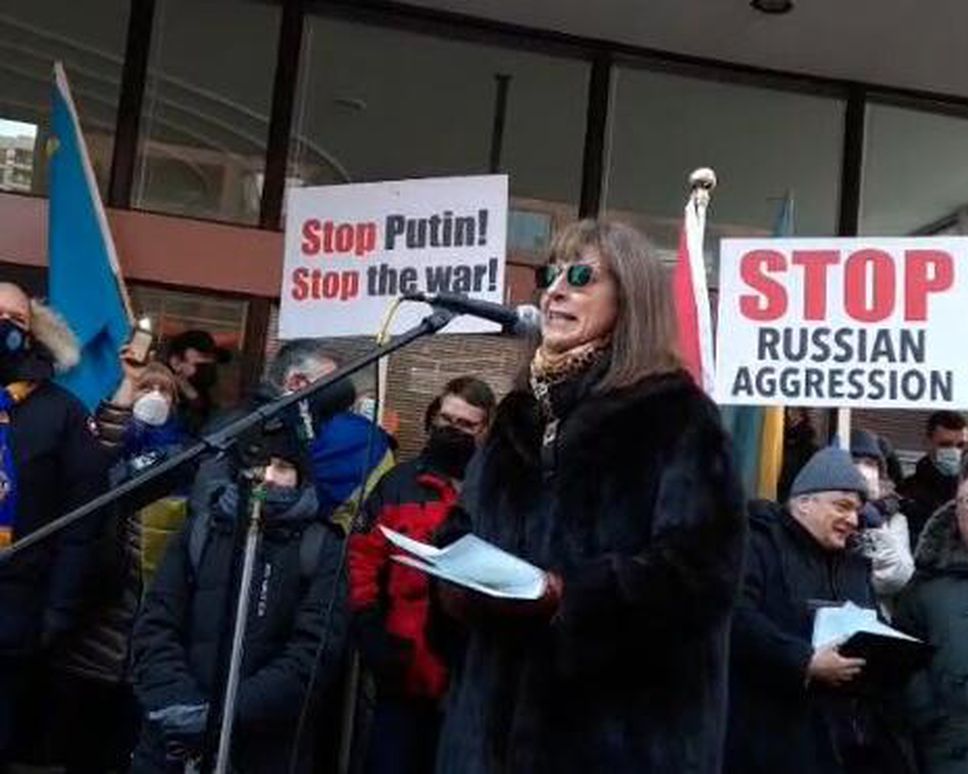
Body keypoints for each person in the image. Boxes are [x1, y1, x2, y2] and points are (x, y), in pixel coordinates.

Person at [430, 220, 746, 773]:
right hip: (491, 735)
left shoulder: (677, 415)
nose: (554, 291)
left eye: (579, 276)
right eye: (548, 275)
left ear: (631, 295)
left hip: (616, 739)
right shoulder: (516, 416)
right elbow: (463, 524)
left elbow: (700, 575)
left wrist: (567, 595)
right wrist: (453, 570)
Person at [130, 419, 348, 773]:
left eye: (283, 467)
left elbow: (313, 654)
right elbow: (155, 623)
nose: (269, 477)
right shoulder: (201, 532)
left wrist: (223, 717)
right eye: (258, 465)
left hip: (264, 747)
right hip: (172, 740)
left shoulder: (319, 547)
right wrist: (177, 703)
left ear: (301, 476)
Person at [43, 357, 192, 772]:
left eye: (166, 392)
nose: (157, 398)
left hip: (141, 628)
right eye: (149, 388)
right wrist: (128, 386)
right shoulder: (99, 449)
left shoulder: (182, 459)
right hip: (94, 620)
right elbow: (103, 445)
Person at [727, 446, 914, 774]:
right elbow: (737, 617)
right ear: (804, 502)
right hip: (774, 741)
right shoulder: (758, 544)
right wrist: (804, 661)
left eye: (857, 510)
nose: (853, 520)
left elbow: (873, 622)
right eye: (842, 506)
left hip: (848, 741)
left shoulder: (855, 564)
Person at [348, 377, 496, 774]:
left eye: (465, 425)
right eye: (446, 419)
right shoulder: (397, 485)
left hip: (471, 677)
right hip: (403, 670)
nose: (452, 430)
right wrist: (371, 631)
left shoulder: (496, 493)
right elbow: (361, 560)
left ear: (484, 431)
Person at [0, 282, 108, 765]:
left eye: (18, 320)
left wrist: (58, 611)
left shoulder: (60, 412)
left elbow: (83, 522)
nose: (6, 326)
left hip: (16, 610)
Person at [265, 339, 395, 533]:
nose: (339, 394)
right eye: (332, 384)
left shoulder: (364, 438)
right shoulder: (248, 429)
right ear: (297, 382)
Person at [895, 466, 968, 774]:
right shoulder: (927, 581)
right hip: (947, 748)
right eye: (966, 504)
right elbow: (901, 656)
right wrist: (929, 716)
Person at [851, 429, 914, 613]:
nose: (862, 470)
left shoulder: (894, 518)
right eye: (854, 462)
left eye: (869, 464)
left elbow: (896, 577)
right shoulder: (827, 509)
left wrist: (876, 528)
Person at [899, 410, 967, 548]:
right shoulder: (906, 493)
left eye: (961, 445)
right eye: (945, 445)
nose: (955, 452)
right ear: (927, 443)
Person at [165, 329, 231, 434]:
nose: (208, 368)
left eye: (211, 363)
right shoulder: (162, 400)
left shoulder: (204, 394)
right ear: (176, 363)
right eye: (201, 363)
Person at [778, 407, 820, 502]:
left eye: (794, 412)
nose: (790, 416)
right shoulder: (780, 441)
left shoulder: (809, 447)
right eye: (789, 412)